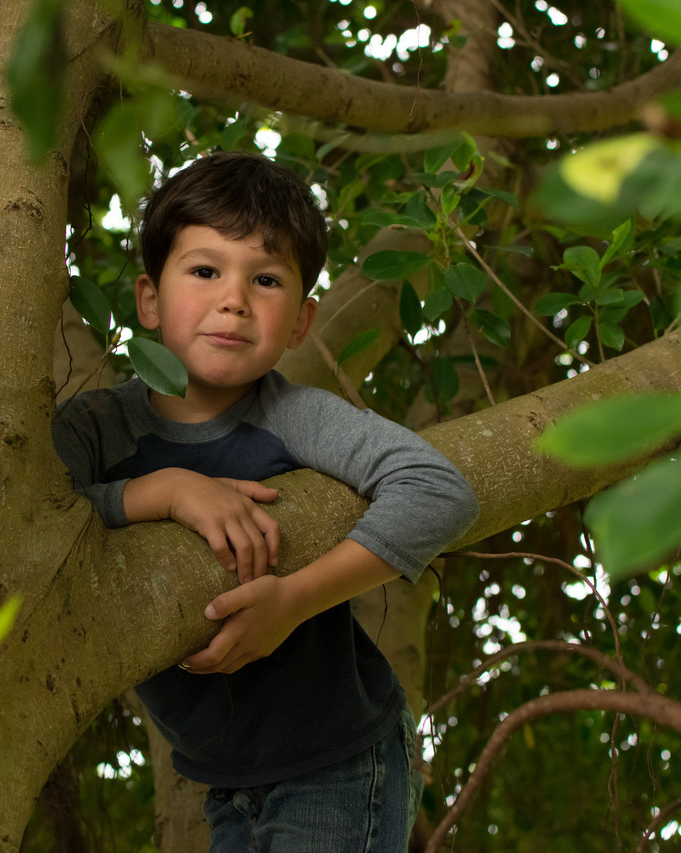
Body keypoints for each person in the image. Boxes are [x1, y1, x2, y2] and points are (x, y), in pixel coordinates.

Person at [52, 150, 480, 852]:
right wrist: (163, 490)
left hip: (340, 760)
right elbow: (32, 525)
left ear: (303, 321)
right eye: (205, 271)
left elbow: (437, 488)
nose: (234, 300)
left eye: (267, 279)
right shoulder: (96, 428)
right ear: (149, 298)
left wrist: (294, 601)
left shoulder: (293, 415)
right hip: (224, 779)